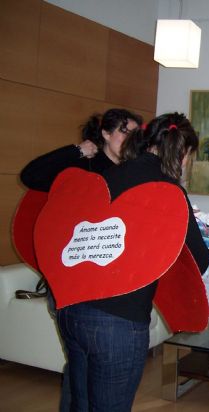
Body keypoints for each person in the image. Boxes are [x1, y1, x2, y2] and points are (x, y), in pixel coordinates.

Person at [56, 112, 209, 411]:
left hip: (72, 309)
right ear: (184, 154)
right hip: (117, 320)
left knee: (80, 404)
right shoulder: (169, 190)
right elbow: (199, 260)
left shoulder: (106, 176)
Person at [19, 108, 142, 412]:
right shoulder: (83, 166)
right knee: (78, 372)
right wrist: (76, 150)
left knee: (88, 373)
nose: (131, 139)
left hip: (104, 289)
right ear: (104, 134)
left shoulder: (130, 173)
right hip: (70, 285)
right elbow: (30, 175)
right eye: (125, 131)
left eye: (135, 133)